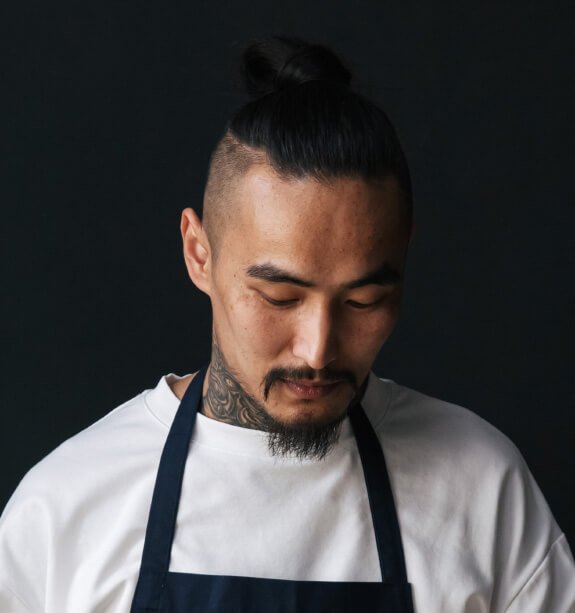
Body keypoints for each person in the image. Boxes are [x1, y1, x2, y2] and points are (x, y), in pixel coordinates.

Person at [0, 36, 574, 613]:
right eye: (279, 297)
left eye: (363, 301)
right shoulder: (63, 512)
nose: (318, 349)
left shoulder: (482, 491)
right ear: (199, 254)